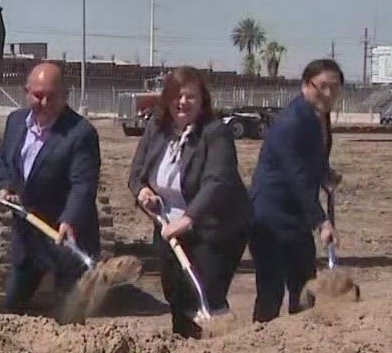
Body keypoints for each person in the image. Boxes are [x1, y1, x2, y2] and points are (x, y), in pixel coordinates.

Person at [129, 66, 250, 338]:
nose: (182, 102)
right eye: (176, 95)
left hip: (212, 229)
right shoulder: (157, 128)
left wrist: (187, 219)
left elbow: (217, 181)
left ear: (202, 100)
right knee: (175, 293)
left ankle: (213, 349)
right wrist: (142, 192)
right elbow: (137, 173)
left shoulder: (215, 133)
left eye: (190, 96)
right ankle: (181, 350)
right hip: (166, 225)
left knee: (202, 293)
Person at [0, 61, 101, 314]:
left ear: (64, 96)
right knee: (11, 310)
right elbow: (1, 161)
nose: (45, 103)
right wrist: (4, 187)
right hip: (28, 237)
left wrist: (69, 220)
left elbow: (83, 185)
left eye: (52, 97)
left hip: (66, 239)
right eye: (38, 96)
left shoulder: (80, 133)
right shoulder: (16, 122)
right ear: (26, 92)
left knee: (67, 318)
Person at [248, 57, 342, 322]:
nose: (328, 94)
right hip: (271, 214)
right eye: (322, 86)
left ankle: (301, 343)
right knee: (272, 289)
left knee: (304, 285)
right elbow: (295, 175)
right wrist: (321, 222)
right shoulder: (292, 121)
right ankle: (260, 343)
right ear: (305, 85)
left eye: (334, 88)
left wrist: (325, 173)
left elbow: (310, 158)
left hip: (294, 213)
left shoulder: (318, 116)